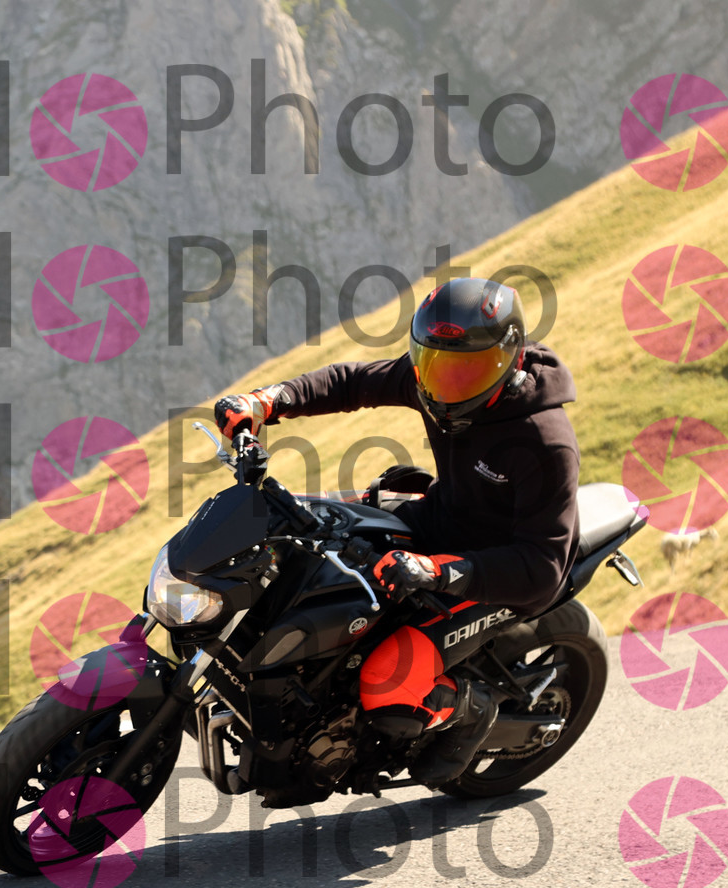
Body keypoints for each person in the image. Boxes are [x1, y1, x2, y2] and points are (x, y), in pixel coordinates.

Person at [213, 276, 581, 785]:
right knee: (306, 550)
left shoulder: (545, 443)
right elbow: (351, 382)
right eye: (435, 366)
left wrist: (437, 572)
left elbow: (542, 570)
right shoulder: (437, 377)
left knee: (387, 681)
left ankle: (470, 710)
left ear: (511, 360)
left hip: (499, 572)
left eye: (469, 370)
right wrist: (267, 401)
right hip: (441, 521)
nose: (448, 385)